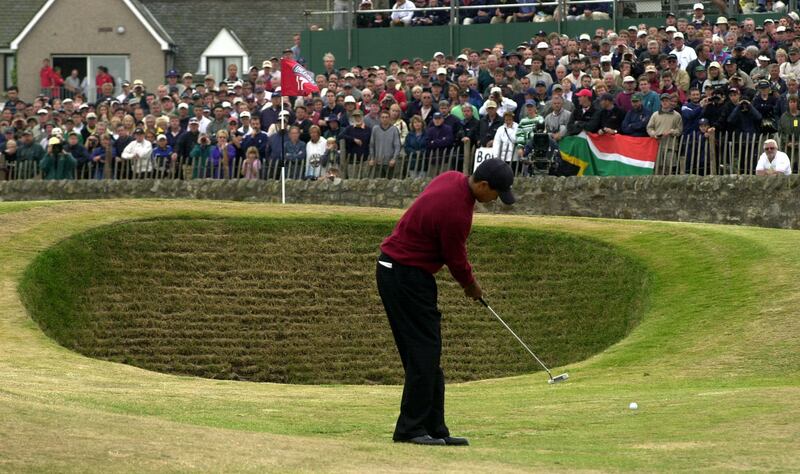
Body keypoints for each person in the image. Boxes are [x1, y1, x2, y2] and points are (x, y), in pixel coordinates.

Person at [376, 158, 515, 446]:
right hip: (404, 274)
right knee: (423, 353)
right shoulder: (457, 213)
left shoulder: (452, 178)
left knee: (428, 353)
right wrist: (471, 287)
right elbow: (455, 258)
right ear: (483, 185)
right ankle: (410, 430)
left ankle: (434, 427)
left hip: (404, 271)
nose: (494, 200)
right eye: (496, 194)